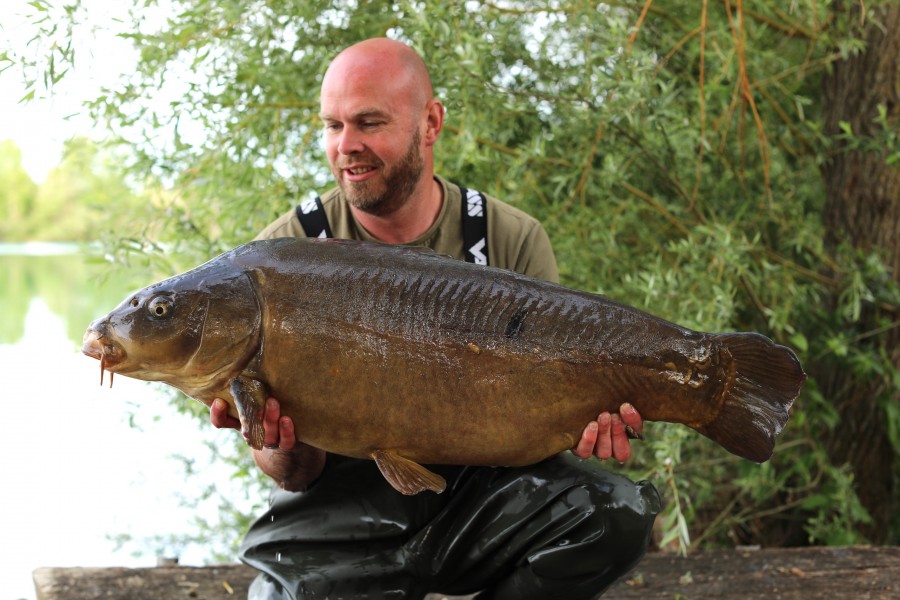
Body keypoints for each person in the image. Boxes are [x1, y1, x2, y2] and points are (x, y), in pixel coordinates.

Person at [210, 38, 660, 600]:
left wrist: (591, 421)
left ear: (430, 122)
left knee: (612, 514)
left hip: (481, 504)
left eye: (369, 123)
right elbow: (292, 475)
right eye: (333, 126)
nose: (346, 146)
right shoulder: (285, 251)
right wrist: (278, 440)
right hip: (347, 517)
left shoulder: (507, 238)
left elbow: (546, 430)